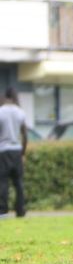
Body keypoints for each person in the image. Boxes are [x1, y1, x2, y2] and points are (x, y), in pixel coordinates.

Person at [0, 88, 27, 218]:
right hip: (17, 150)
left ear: (5, 97)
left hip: (3, 151)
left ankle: (3, 211)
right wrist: (23, 153)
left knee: (3, 182)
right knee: (19, 183)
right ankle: (20, 211)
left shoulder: (0, 112)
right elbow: (24, 134)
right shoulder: (20, 112)